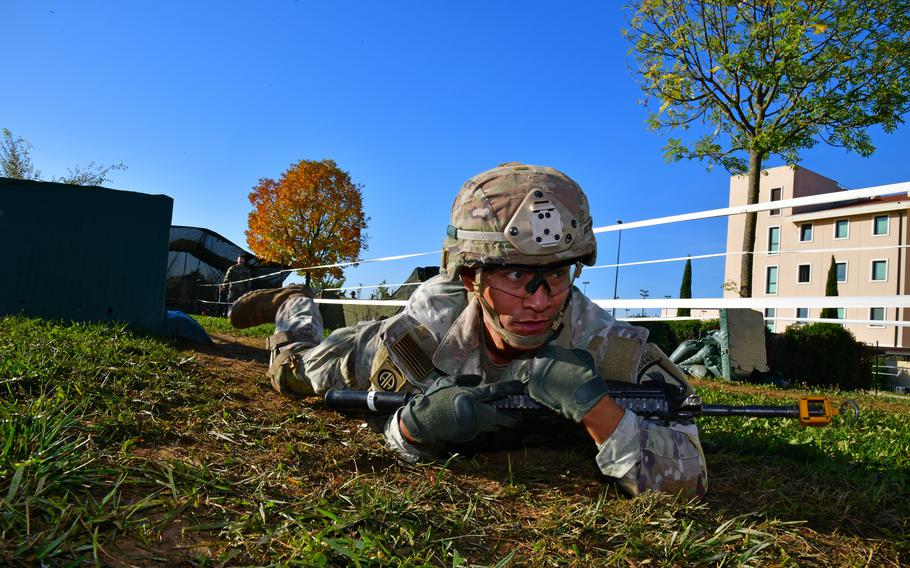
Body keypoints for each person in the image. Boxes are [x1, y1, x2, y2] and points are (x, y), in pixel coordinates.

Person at [229, 163, 707, 498]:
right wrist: (416, 429)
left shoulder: (607, 345)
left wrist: (599, 412)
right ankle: (293, 305)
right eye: (517, 276)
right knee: (294, 372)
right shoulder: (423, 336)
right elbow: (391, 429)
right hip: (365, 350)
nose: (540, 301)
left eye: (558, 275)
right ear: (470, 278)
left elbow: (689, 474)